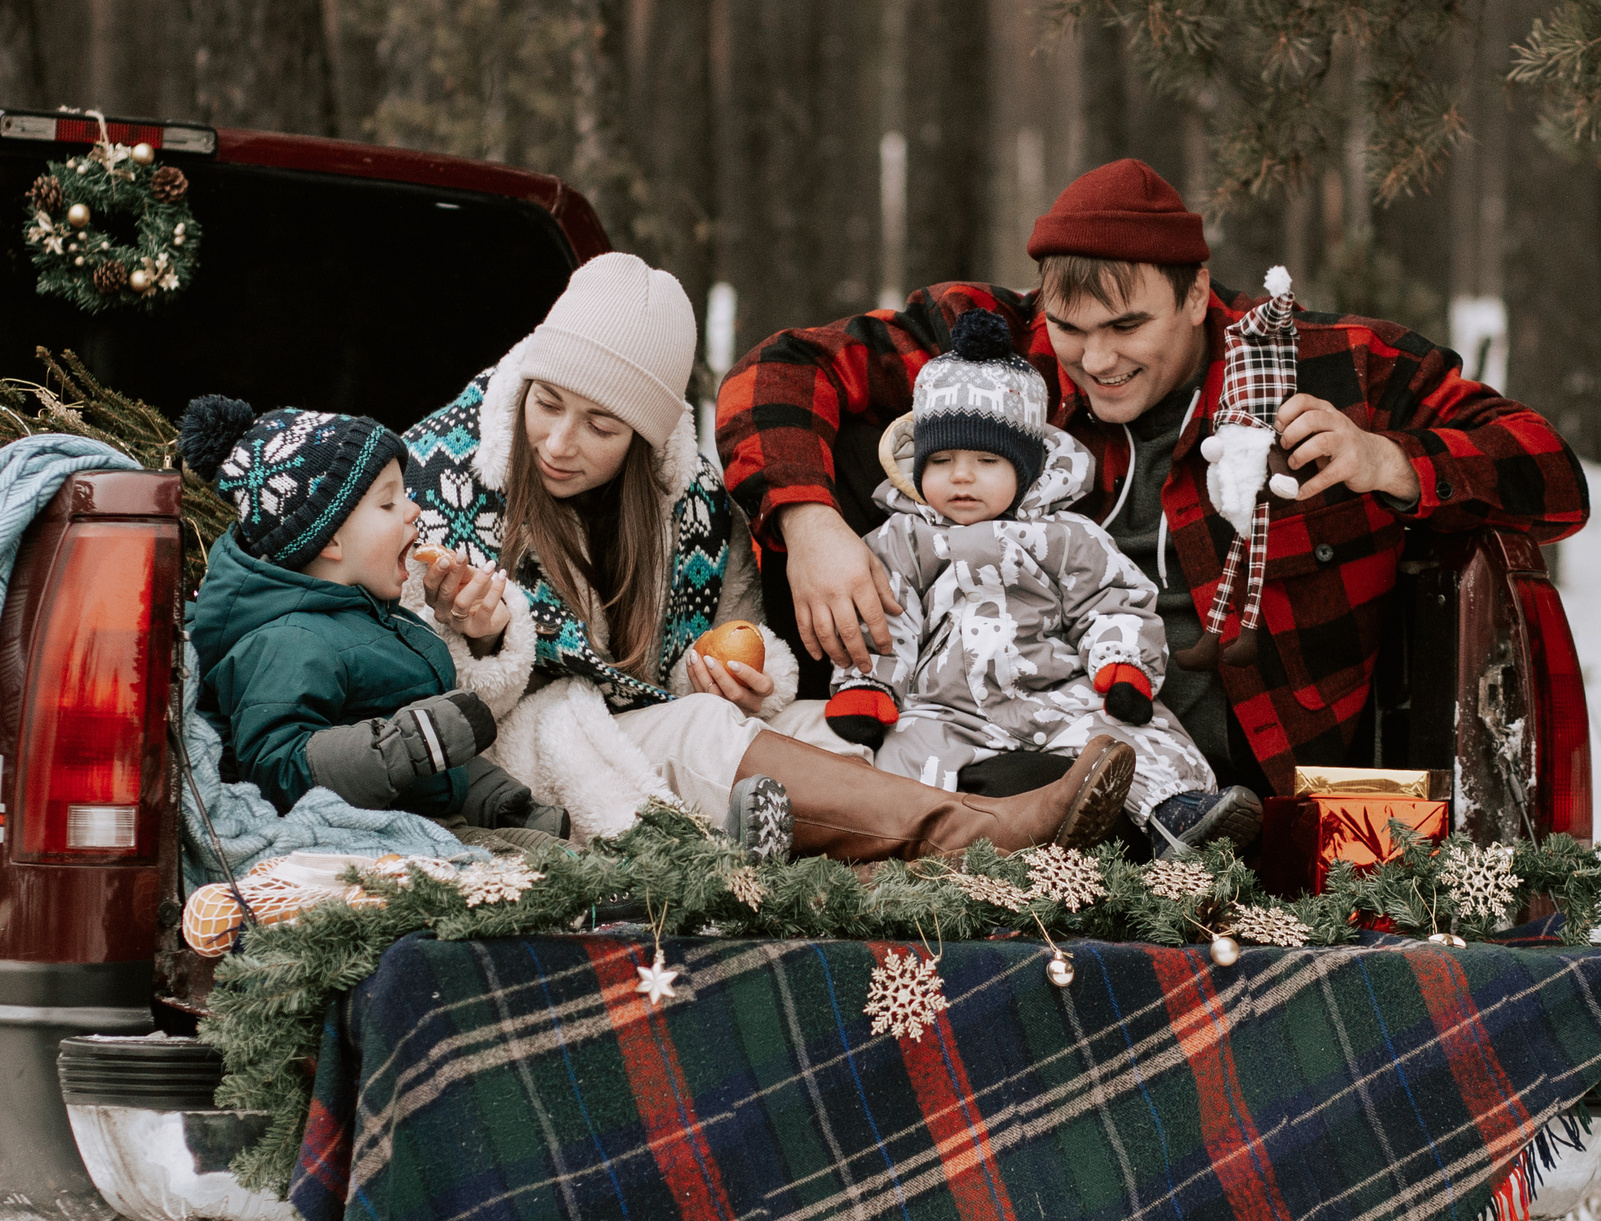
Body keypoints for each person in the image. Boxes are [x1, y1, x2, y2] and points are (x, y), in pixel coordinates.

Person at [715, 158, 1590, 800]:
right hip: (995, 764)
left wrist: (1388, 461)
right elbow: (775, 374)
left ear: (1197, 290)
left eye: (1127, 325)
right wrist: (808, 520)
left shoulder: (1323, 366)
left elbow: (1550, 470)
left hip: (1253, 813)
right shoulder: (990, 344)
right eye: (1070, 326)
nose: (1096, 360)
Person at [401, 251, 1134, 861]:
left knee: (829, 724)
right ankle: (980, 836)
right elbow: (404, 695)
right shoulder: (440, 477)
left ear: (645, 440)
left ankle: (1013, 818)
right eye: (548, 404)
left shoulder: (684, 510)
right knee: (702, 733)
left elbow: (730, 652)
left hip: (643, 726)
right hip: (524, 758)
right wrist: (482, 637)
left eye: (600, 425)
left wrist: (732, 678)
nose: (560, 443)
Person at [830, 309, 1262, 849]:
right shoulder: (903, 539)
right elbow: (884, 616)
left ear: (1026, 468)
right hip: (942, 706)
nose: (961, 476)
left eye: (987, 460)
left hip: (1055, 694)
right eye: (941, 459)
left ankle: (1178, 815)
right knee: (900, 762)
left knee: (1129, 738)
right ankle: (912, 850)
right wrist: (868, 686)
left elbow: (1113, 603)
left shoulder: (1065, 537)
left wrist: (1122, 666)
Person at [178, 395, 569, 837]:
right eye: (388, 504)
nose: (413, 509)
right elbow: (279, 770)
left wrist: (502, 802)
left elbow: (432, 773)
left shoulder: (374, 618)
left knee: (576, 869)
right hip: (362, 848)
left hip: (428, 827)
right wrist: (410, 743)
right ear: (330, 542)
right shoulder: (286, 641)